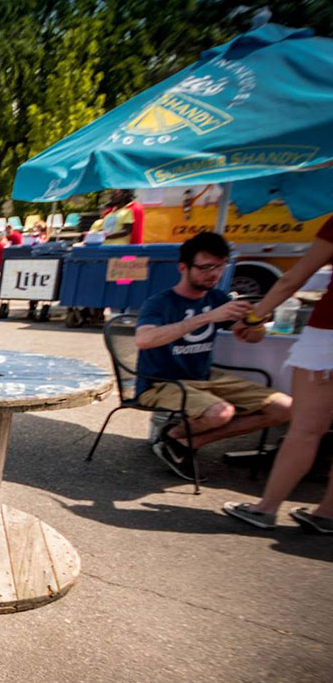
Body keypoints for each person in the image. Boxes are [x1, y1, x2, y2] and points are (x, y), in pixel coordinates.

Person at [134, 231, 293, 479]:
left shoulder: (218, 298)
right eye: (205, 267)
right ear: (183, 267)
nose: (214, 274)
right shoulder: (160, 303)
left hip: (205, 378)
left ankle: (182, 440)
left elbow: (253, 337)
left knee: (285, 408)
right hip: (160, 382)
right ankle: (175, 438)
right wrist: (209, 317)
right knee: (221, 413)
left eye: (220, 267)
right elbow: (144, 340)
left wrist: (254, 322)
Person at [223, 218, 333, 531]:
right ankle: (327, 513)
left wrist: (256, 317)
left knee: (307, 428)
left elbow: (292, 279)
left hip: (328, 338)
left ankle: (266, 508)